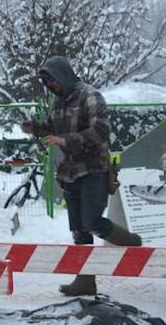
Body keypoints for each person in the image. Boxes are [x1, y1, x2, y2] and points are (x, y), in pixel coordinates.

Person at [22, 56, 142, 296]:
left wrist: (66, 141)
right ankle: (85, 281)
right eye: (47, 82)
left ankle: (131, 243)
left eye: (53, 79)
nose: (51, 85)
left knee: (91, 221)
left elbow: (101, 131)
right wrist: (34, 126)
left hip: (94, 168)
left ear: (63, 75)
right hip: (71, 170)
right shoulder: (58, 103)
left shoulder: (90, 95)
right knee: (79, 229)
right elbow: (52, 126)